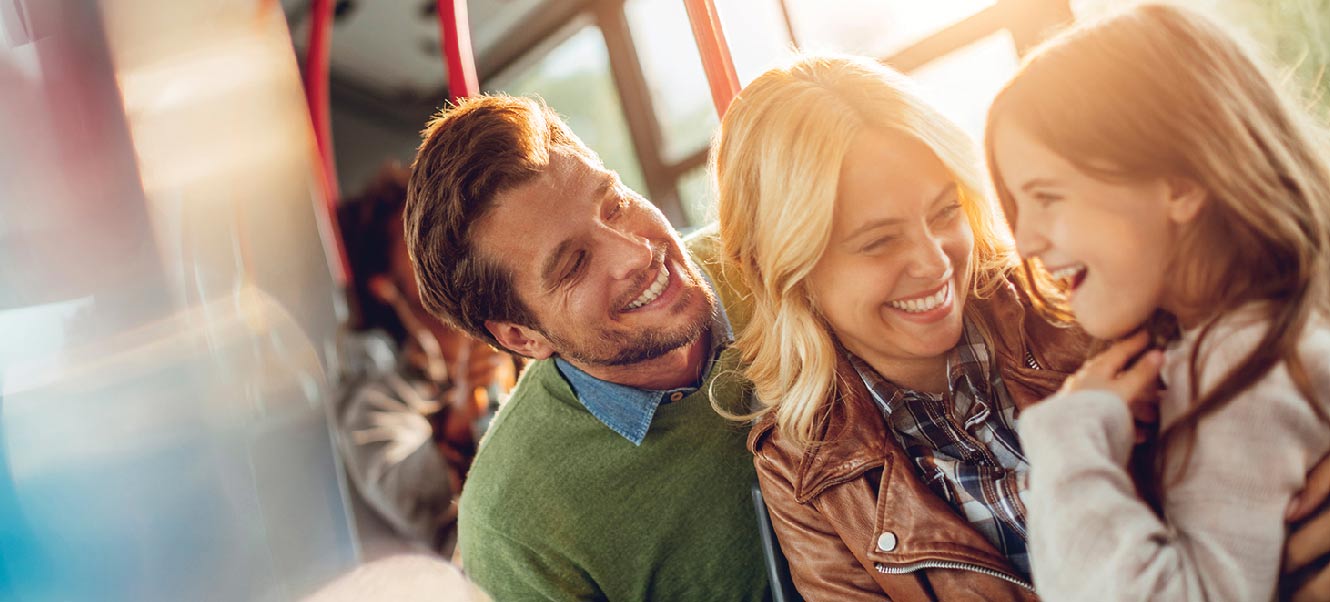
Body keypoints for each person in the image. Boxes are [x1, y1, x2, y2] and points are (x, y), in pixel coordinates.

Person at [713, 53, 1330, 601]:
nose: (934, 263)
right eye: (877, 242)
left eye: (945, 210)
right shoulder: (804, 472)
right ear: (782, 268)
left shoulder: (1085, 302)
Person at [985, 5, 1330, 600]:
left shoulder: (1243, 365)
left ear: (1180, 182)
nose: (1025, 240)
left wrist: (1071, 439)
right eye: (1019, 204)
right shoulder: (1232, 341)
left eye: (1047, 195)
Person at [402, 95, 768, 600]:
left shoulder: (771, 256)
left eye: (614, 206)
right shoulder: (513, 525)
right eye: (573, 265)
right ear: (521, 337)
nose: (637, 253)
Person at [335, 164, 508, 553]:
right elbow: (409, 498)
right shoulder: (380, 400)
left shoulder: (523, 335)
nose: (439, 249)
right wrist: (460, 425)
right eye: (414, 241)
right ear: (383, 286)